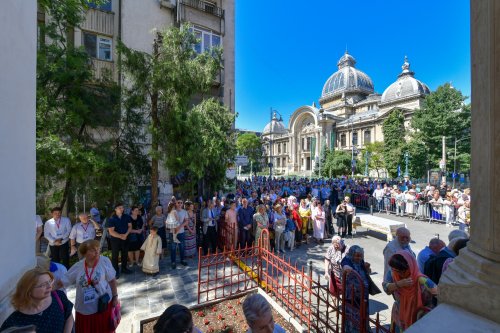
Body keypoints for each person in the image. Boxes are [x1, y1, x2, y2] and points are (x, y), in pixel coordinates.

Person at [63, 240, 118, 333]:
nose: (97, 252)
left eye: (98, 249)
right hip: (85, 309)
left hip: (103, 305)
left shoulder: (104, 261)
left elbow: (112, 281)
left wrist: (115, 296)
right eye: (92, 250)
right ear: (84, 253)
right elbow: (63, 281)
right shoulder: (78, 266)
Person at [0, 268, 74, 333]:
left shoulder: (58, 296)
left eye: (50, 281)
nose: (49, 287)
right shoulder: (14, 321)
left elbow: (69, 316)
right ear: (28, 291)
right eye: (43, 285)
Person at [383, 251, 438, 332]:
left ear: (410, 266)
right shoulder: (392, 273)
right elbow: (386, 288)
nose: (398, 273)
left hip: (419, 318)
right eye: (395, 270)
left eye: (401, 271)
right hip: (399, 316)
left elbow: (439, 293)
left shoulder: (421, 280)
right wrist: (399, 284)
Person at [341, 245, 377, 333]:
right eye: (357, 255)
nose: (359, 258)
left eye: (361, 256)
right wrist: (347, 268)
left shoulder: (360, 261)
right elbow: (344, 265)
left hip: (363, 295)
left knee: (363, 314)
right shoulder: (347, 259)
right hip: (352, 295)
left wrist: (367, 268)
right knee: (353, 315)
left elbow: (366, 272)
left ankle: (363, 329)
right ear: (352, 254)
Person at [106, 203, 132, 278]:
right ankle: (115, 271)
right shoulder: (112, 219)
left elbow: (130, 226)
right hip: (115, 240)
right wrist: (121, 236)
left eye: (122, 208)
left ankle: (124, 268)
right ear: (115, 209)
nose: (122, 209)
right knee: (115, 256)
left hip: (126, 238)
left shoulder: (126, 217)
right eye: (120, 208)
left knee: (125, 254)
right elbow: (111, 231)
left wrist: (126, 235)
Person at [170, 199, 189, 269]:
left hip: (181, 232)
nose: (180, 203)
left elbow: (186, 221)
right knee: (173, 248)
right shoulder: (172, 211)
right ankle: (173, 262)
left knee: (182, 247)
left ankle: (182, 260)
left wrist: (180, 226)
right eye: (178, 202)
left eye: (181, 202)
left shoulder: (184, 212)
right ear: (176, 203)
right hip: (173, 232)